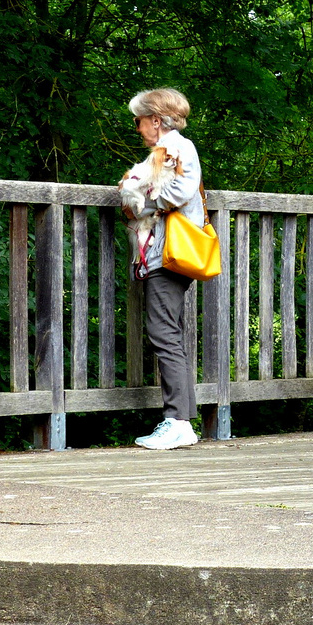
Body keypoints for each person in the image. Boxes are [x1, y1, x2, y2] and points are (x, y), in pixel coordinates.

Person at [124, 88, 202, 449]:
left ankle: (177, 421)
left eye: (139, 120)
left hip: (168, 254)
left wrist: (145, 203)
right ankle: (181, 421)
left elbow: (182, 188)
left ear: (156, 120)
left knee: (164, 334)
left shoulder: (177, 148)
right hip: (165, 253)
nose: (137, 127)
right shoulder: (167, 151)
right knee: (169, 334)